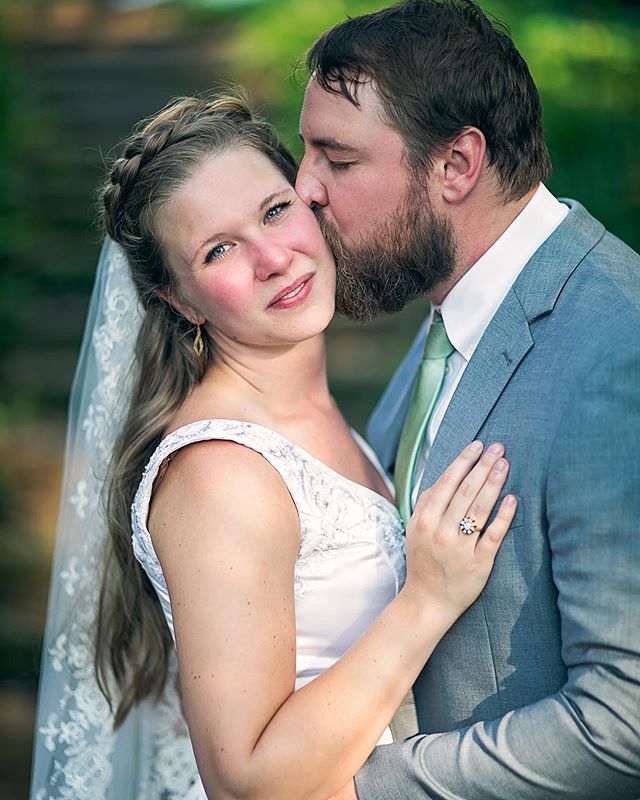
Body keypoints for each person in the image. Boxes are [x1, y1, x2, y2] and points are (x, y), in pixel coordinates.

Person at [29, 92, 517, 800]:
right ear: (180, 300)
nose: (271, 257)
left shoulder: (321, 416)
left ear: (311, 200)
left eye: (274, 210)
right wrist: (428, 600)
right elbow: (248, 783)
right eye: (219, 249)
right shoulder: (221, 475)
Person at [295, 0, 640, 798]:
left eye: (337, 160)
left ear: (456, 165)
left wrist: (359, 787)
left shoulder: (616, 350)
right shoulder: (455, 312)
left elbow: (625, 720)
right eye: (304, 152)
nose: (304, 188)